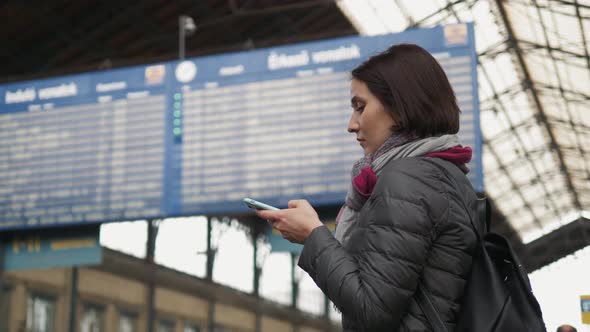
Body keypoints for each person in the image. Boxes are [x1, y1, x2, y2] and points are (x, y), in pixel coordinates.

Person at [257, 43, 478, 331]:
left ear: (401, 107)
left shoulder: (408, 179)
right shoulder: (443, 173)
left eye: (360, 107)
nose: (352, 124)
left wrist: (313, 236)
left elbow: (371, 309)